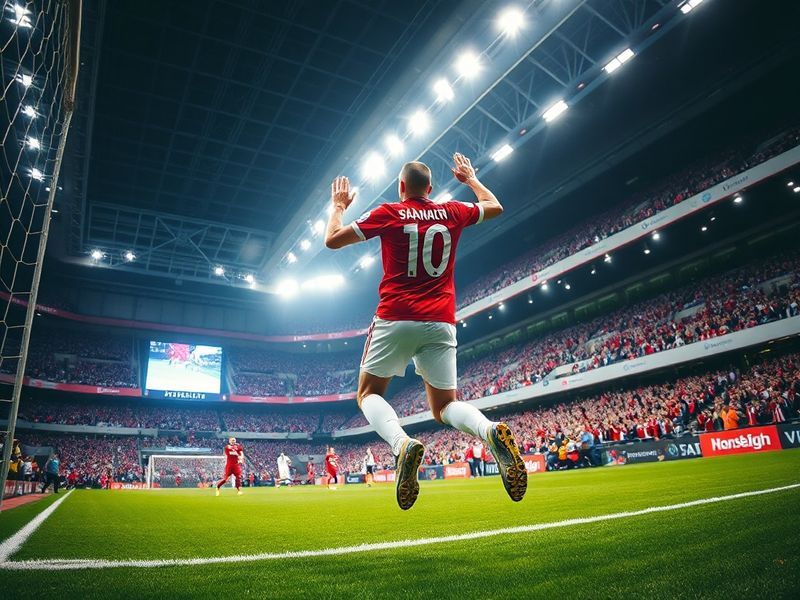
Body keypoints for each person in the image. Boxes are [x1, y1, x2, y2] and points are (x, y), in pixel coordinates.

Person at [325, 154, 527, 510]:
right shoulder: (451, 211)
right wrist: (470, 179)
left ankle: (402, 444)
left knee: (368, 393)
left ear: (401, 187)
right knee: (445, 405)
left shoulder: (389, 212)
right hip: (440, 320)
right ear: (430, 189)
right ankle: (490, 431)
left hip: (395, 317)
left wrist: (338, 206)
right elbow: (494, 205)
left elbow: (333, 240)